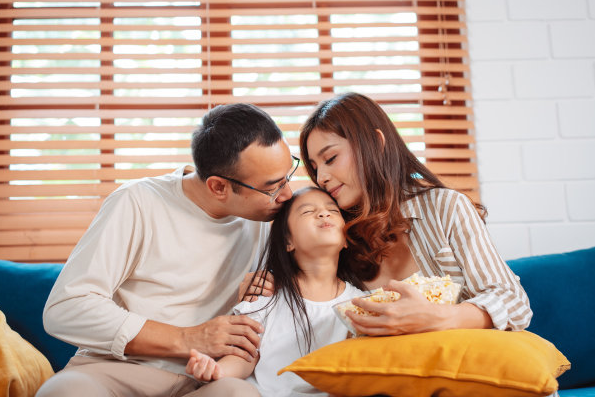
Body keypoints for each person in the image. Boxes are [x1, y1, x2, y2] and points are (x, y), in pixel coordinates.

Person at [36, 103, 300, 397]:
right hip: (114, 372)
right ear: (218, 187)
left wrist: (281, 286)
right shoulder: (136, 202)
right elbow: (66, 309)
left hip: (205, 381)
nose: (287, 194)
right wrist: (188, 338)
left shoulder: (273, 216)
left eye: (289, 174)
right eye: (273, 187)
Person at [297, 92, 532, 336]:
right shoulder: (338, 236)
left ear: (375, 144)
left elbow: (514, 302)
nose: (321, 177)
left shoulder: (445, 207)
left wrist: (438, 317)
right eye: (314, 168)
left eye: (330, 158)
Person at [185, 187, 366, 396]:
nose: (324, 214)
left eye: (333, 211)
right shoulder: (264, 294)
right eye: (308, 211)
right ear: (288, 241)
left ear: (345, 240)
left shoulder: (360, 305)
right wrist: (216, 370)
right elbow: (244, 357)